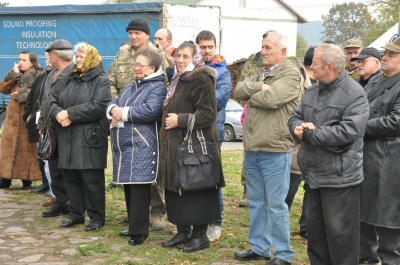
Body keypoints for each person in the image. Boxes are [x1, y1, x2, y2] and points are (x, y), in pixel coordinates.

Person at [288, 43, 369, 265]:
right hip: (313, 177)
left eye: (315, 63)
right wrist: (295, 126)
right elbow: (295, 116)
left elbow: (349, 132)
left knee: (341, 242)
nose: (311, 67)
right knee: (316, 239)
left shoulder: (355, 94)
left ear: (329, 66)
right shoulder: (312, 90)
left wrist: (311, 135)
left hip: (339, 180)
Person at [233, 31, 300, 265]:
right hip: (253, 149)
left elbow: (270, 100)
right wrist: (259, 87)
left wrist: (252, 95)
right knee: (257, 202)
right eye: (263, 47)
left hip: (275, 149)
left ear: (283, 52)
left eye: (269, 48)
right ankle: (260, 247)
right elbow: (238, 90)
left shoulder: (291, 74)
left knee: (276, 205)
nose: (264, 51)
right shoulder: (263, 73)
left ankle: (283, 254)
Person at [159, 41, 225, 253]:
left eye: (185, 56)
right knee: (178, 191)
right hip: (175, 146)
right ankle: (183, 232)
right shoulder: (178, 79)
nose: (179, 60)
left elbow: (208, 114)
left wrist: (181, 120)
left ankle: (199, 236)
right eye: (178, 55)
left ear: (194, 58)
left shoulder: (201, 79)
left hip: (196, 149)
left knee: (195, 191)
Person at [109, 18, 168, 230]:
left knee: (148, 174)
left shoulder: (156, 54)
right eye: (131, 33)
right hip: (124, 119)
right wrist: (116, 110)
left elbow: (164, 87)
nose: (134, 37)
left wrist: (125, 111)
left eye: (138, 33)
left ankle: (157, 212)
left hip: (145, 123)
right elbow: (112, 83)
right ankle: (135, 215)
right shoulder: (122, 55)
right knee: (129, 171)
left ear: (147, 35)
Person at [50, 42, 111, 231]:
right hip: (66, 135)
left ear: (91, 58)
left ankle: (96, 217)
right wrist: (57, 112)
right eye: (77, 56)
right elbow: (51, 99)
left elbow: (98, 106)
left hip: (89, 137)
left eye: (82, 56)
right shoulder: (69, 77)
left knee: (91, 180)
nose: (77, 59)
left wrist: (69, 114)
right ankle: (76, 214)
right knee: (71, 177)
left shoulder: (101, 80)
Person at [359, 34, 400, 265]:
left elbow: (397, 121)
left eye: (391, 55)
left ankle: (390, 261)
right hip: (366, 157)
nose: (384, 57)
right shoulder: (375, 80)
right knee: (364, 212)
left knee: (388, 219)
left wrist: (359, 126)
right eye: (385, 53)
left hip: (390, 161)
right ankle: (365, 258)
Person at [195, 30, 231, 242]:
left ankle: (215, 222)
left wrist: (194, 98)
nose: (207, 51)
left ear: (215, 47)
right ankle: (196, 218)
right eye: (203, 47)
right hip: (191, 131)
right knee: (193, 178)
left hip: (212, 133)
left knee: (213, 180)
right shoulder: (192, 68)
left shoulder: (223, 73)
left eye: (210, 46)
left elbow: (218, 101)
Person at [39, 39, 75, 218]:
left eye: (50, 54)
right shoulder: (51, 73)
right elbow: (45, 101)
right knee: (53, 166)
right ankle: (60, 202)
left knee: (66, 168)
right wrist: (42, 125)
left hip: (65, 126)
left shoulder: (74, 72)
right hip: (50, 127)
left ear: (58, 55)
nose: (48, 57)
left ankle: (72, 204)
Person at [0, 51, 44, 189]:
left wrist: (22, 94)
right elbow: (3, 88)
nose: (20, 62)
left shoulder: (39, 75)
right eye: (19, 59)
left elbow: (37, 93)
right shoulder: (17, 75)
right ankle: (5, 178)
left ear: (32, 62)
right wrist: (13, 74)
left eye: (24, 60)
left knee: (27, 150)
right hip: (12, 120)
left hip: (28, 118)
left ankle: (27, 180)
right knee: (8, 149)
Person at [23, 52, 53, 200]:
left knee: (48, 153)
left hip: (50, 120)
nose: (48, 61)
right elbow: (30, 98)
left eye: (50, 58)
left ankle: (51, 187)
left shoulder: (56, 77)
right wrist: (28, 114)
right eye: (47, 58)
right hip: (37, 119)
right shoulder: (41, 78)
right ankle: (45, 182)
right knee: (40, 152)